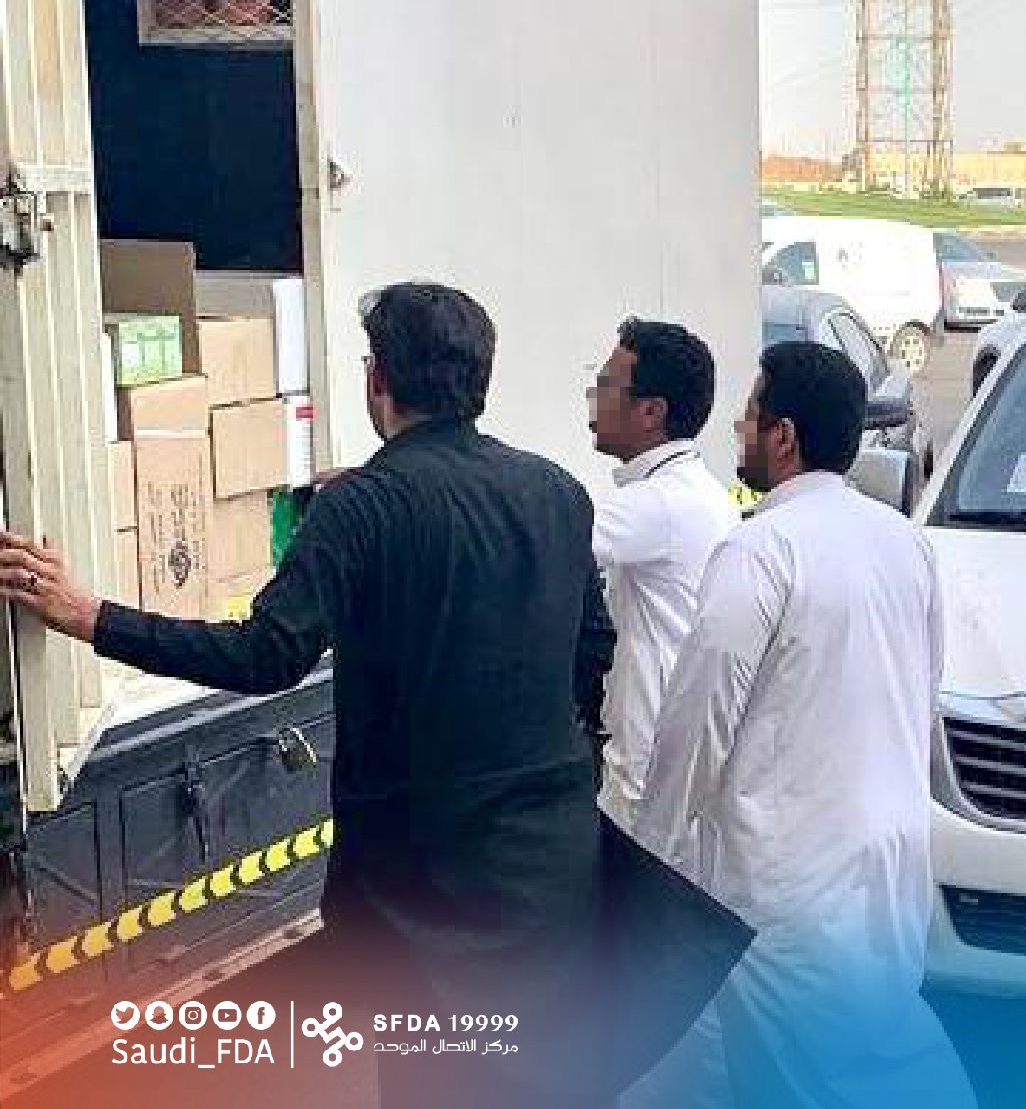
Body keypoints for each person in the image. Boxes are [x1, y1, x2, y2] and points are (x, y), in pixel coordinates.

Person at [0, 284, 620, 1109]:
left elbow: (266, 655)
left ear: (378, 380)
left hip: (422, 896)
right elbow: (594, 645)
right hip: (550, 865)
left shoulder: (359, 508)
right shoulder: (556, 491)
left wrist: (91, 617)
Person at [635, 342, 974, 1109]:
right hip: (891, 867)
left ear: (783, 435)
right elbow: (922, 692)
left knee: (812, 1079)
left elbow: (698, 719)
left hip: (788, 884)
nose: (738, 429)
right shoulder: (904, 542)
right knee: (870, 1055)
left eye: (749, 414)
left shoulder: (761, 549)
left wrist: (651, 866)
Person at [588, 318, 738, 837]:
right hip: (676, 759)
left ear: (651, 411)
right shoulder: (697, 491)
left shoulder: (659, 504)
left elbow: (544, 539)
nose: (593, 398)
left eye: (606, 385)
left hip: (646, 773)